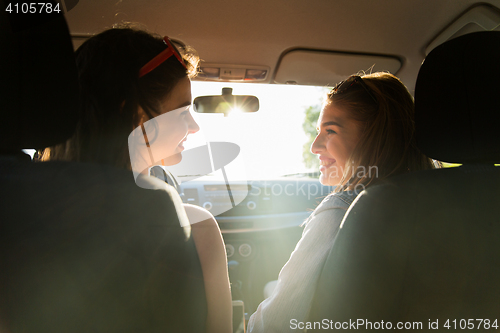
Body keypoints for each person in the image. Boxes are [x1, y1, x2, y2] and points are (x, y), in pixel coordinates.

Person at [41, 26, 232, 333]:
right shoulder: (197, 229)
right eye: (183, 111)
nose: (194, 126)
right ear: (138, 117)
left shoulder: (24, 215)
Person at [247, 72, 439, 332]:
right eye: (318, 132)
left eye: (330, 131)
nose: (315, 146)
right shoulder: (448, 202)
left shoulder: (341, 211)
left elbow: (274, 325)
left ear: (374, 137)